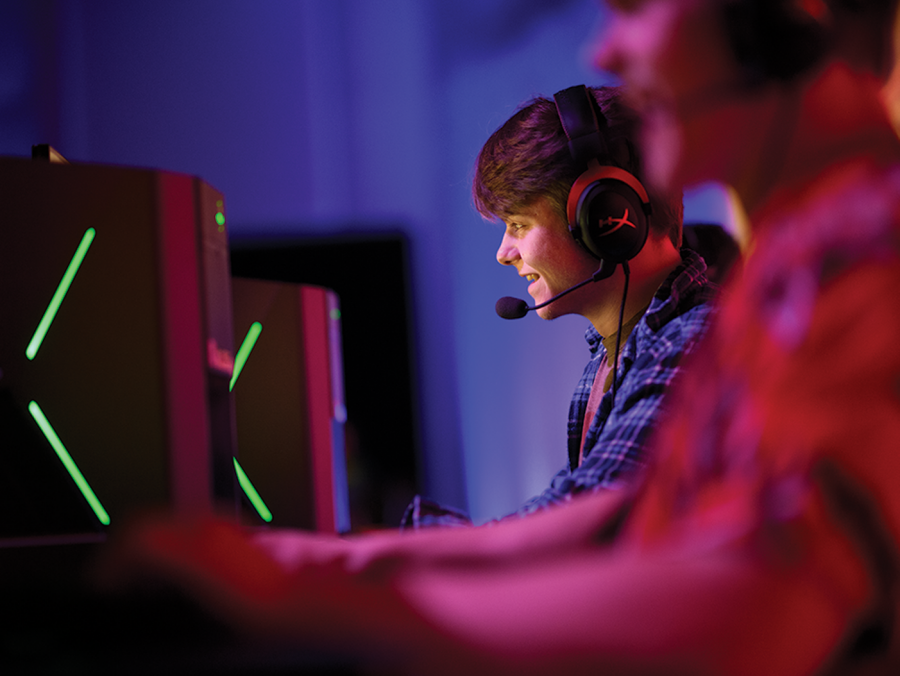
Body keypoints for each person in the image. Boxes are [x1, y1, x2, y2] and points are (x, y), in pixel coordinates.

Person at [103, 0, 900, 673]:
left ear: (784, 18)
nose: (607, 45)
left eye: (636, 6)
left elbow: (760, 601)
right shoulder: (789, 266)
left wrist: (303, 604)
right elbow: (627, 516)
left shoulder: (866, 254)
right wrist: (331, 560)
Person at [404, 85, 716, 528]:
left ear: (605, 217)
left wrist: (385, 551)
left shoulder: (694, 345)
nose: (504, 252)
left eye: (518, 225)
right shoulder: (611, 357)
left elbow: (584, 523)